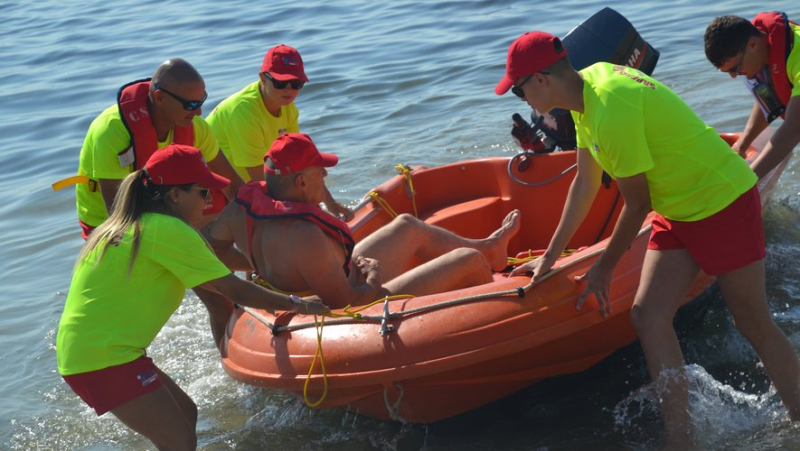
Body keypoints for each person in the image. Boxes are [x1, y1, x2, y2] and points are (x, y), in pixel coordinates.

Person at [497, 31, 800, 447]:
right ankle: (681, 439)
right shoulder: (584, 96)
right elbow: (584, 183)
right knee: (648, 316)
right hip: (677, 210)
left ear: (542, 80)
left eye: (518, 90)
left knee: (752, 322)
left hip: (721, 200)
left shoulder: (610, 105)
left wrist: (604, 269)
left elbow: (636, 203)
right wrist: (549, 258)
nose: (522, 100)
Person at [56, 144, 328, 450]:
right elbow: (232, 288)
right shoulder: (167, 229)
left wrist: (286, 263)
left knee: (187, 413)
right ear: (174, 195)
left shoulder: (140, 223)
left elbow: (217, 263)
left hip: (97, 351)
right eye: (203, 192)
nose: (210, 200)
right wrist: (299, 304)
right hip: (102, 357)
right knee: (180, 441)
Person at [203, 133, 521, 314]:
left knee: (407, 225)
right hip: (351, 306)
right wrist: (373, 277)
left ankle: (490, 248)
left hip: (328, 277)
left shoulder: (238, 210)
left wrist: (260, 264)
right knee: (469, 262)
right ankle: (495, 311)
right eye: (318, 172)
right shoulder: (304, 235)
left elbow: (211, 248)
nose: (325, 176)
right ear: (300, 182)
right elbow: (348, 303)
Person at [60, 58, 243, 238]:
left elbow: (233, 186)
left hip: (163, 206)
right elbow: (117, 215)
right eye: (191, 105)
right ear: (159, 97)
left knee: (219, 205)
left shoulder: (196, 127)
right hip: (107, 222)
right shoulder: (112, 131)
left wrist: (260, 216)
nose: (198, 112)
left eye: (201, 101)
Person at [206, 44, 353, 221]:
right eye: (280, 82)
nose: (288, 90)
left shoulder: (288, 107)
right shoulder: (244, 112)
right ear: (263, 78)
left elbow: (303, 161)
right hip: (210, 183)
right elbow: (259, 182)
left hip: (244, 181)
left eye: (296, 83)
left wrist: (330, 204)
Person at [704, 12, 800, 177]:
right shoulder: (766, 46)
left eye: (734, 69)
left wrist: (746, 183)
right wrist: (741, 145)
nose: (734, 76)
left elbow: (793, 130)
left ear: (753, 45)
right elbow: (771, 99)